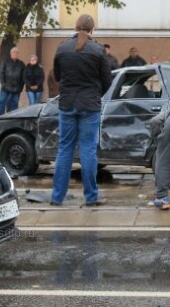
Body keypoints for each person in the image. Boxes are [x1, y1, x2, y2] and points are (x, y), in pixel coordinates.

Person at [51, 14, 112, 207]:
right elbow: (107, 81)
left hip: (67, 104)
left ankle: (57, 197)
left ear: (76, 27)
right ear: (93, 30)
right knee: (88, 150)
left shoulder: (62, 48)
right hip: (90, 106)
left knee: (64, 150)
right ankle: (91, 197)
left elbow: (58, 76)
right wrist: (95, 94)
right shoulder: (99, 50)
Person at [0, 47, 25, 116]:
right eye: (13, 53)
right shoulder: (5, 61)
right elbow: (1, 73)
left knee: (14, 104)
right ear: (10, 54)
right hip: (6, 87)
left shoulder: (21, 64)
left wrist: (21, 87)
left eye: (16, 53)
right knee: (1, 102)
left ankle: (12, 118)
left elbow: (23, 76)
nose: (15, 54)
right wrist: (3, 84)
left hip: (17, 88)